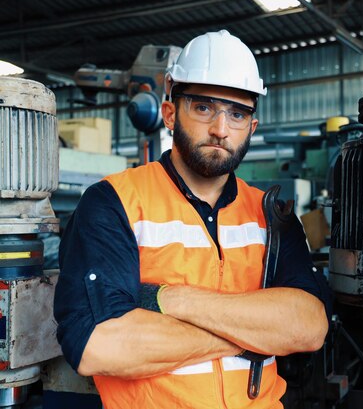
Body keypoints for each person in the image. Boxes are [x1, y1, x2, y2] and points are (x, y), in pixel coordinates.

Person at [54, 30, 332, 409]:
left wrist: (171, 298)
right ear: (170, 113)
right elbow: (99, 347)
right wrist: (257, 333)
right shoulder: (113, 202)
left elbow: (309, 327)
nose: (220, 128)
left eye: (237, 113)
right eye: (203, 107)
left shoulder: (271, 215)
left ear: (252, 128)